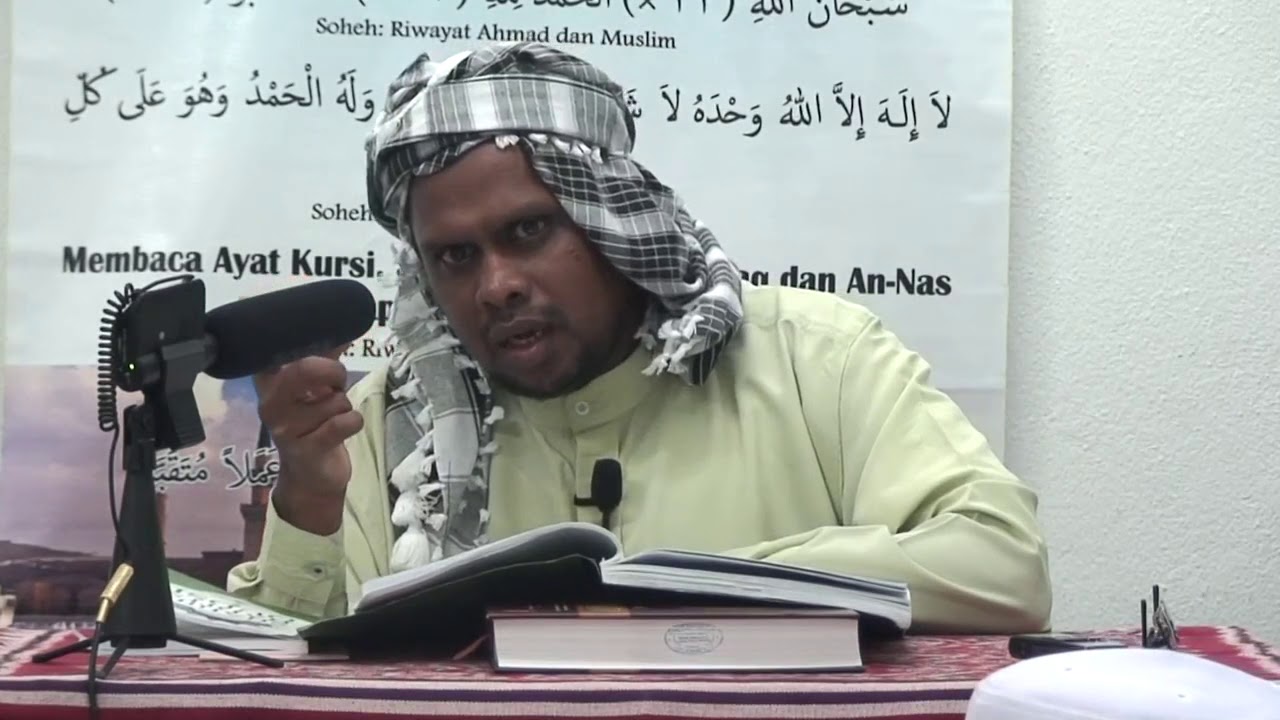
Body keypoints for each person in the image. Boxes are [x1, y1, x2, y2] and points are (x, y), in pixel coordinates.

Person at [226, 41, 1052, 634]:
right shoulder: (390, 424)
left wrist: (704, 589)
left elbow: (1002, 565)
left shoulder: (816, 358)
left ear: (612, 222)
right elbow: (275, 672)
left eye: (528, 230)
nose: (496, 284)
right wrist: (310, 504)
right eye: (455, 256)